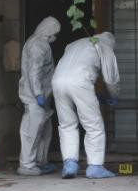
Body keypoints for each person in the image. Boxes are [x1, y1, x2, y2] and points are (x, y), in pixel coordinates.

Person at [51, 32, 120, 179]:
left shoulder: (75, 43)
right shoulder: (104, 46)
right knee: (93, 125)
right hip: (80, 81)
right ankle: (95, 166)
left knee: (67, 124)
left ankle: (70, 165)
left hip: (57, 81)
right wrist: (113, 96)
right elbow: (110, 77)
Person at [17, 16, 61, 176]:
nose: (54, 37)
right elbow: (34, 71)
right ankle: (27, 164)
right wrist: (38, 94)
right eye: (54, 34)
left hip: (43, 95)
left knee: (44, 131)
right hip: (35, 96)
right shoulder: (38, 45)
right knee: (32, 131)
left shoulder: (37, 43)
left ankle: (40, 161)